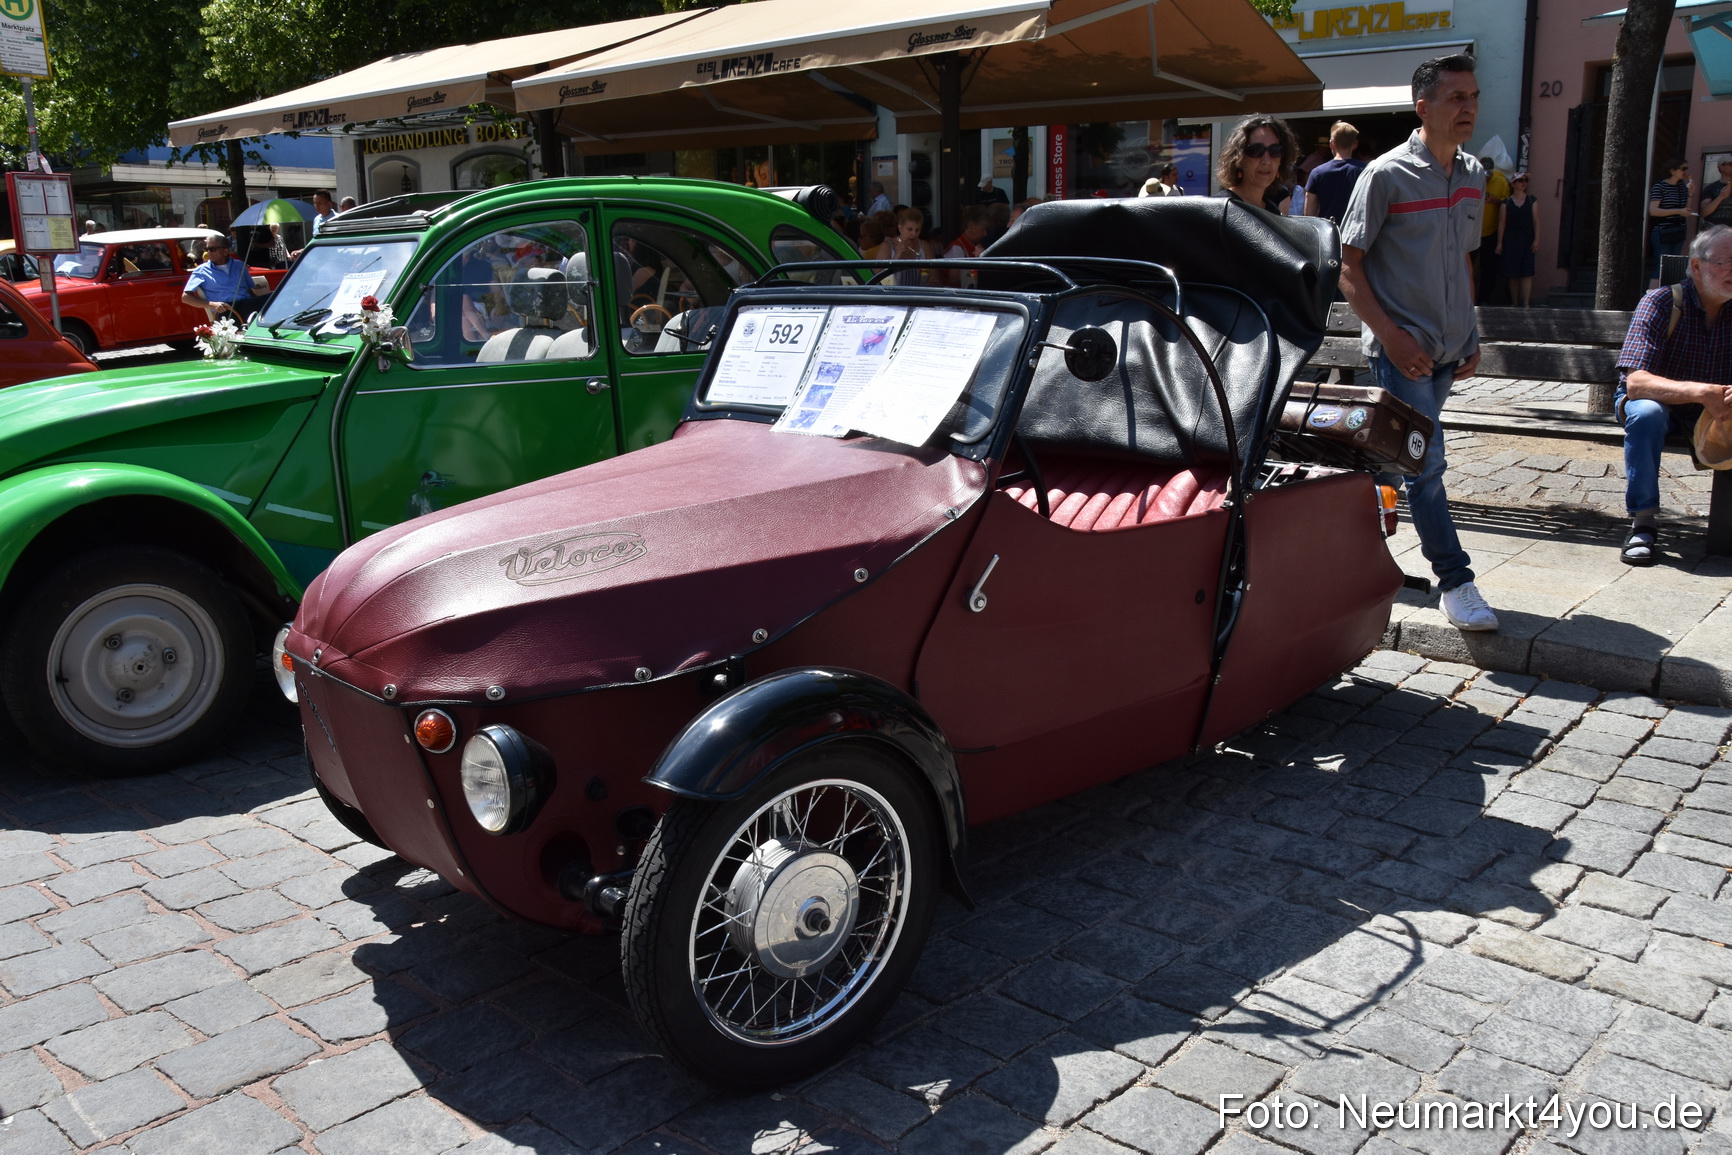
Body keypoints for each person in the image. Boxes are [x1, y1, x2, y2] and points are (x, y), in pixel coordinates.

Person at [1339, 52, 1497, 632]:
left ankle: (1343, 555)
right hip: (1402, 353)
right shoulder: (1383, 175)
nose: (1469, 108)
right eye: (1457, 98)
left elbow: (1462, 261)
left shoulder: (1476, 174)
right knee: (1426, 464)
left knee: (1389, 468)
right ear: (1422, 106)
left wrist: (1471, 331)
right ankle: (1455, 582)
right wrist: (1393, 338)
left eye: (1474, 97)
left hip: (1447, 354)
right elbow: (1348, 269)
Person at [1613, 224, 1732, 565]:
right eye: (1729, 262)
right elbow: (1636, 384)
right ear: (1696, 266)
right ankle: (1643, 524)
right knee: (1647, 412)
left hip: (1713, 410)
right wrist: (1698, 391)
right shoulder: (1663, 302)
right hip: (1658, 402)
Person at [1216, 114, 1300, 214]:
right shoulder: (1220, 208)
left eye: (1275, 150)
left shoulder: (1272, 211)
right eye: (1256, 150)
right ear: (1239, 158)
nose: (1266, 161)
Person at [181, 235, 260, 322]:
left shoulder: (239, 265)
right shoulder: (201, 271)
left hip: (247, 305)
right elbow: (185, 297)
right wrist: (213, 305)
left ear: (225, 251)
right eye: (207, 249)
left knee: (273, 298)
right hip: (226, 311)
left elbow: (250, 292)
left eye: (212, 249)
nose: (208, 253)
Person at [1303, 121, 1366, 225]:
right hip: (1356, 234)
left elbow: (1309, 212)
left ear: (1331, 144)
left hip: (1328, 234)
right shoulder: (1365, 171)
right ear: (1355, 144)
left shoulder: (1317, 173)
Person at [1496, 172, 1540, 308]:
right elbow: (1502, 223)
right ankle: (1514, 302)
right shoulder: (1506, 203)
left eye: (1525, 180)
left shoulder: (1532, 200)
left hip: (1527, 237)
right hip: (1511, 238)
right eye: (1520, 180)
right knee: (1512, 272)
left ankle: (1526, 302)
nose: (1523, 183)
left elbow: (1536, 221)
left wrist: (1537, 240)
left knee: (1526, 271)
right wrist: (1500, 242)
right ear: (1513, 184)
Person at [1649, 161, 1692, 284]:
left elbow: (1686, 210)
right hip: (1663, 231)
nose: (1685, 172)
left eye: (1686, 169)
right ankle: (1652, 297)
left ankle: (1670, 297)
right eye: (1683, 168)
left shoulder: (1682, 187)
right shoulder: (1660, 187)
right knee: (1661, 266)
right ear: (1672, 171)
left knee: (1674, 267)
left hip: (1678, 230)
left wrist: (1690, 195)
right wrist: (1678, 211)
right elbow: (1653, 211)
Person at [1475, 158, 1509, 303]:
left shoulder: (1500, 182)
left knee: (1488, 270)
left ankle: (1484, 299)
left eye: (1488, 174)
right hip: (1471, 231)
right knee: (1466, 269)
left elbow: (1507, 205)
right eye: (1483, 174)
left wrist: (1495, 201)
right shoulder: (1472, 178)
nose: (1486, 177)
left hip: (1491, 232)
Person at [877, 206, 934, 285]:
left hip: (919, 295)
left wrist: (931, 279)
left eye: (917, 230)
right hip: (894, 295)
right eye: (910, 229)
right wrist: (896, 258)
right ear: (900, 228)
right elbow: (877, 277)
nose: (913, 234)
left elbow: (934, 276)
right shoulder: (888, 246)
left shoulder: (924, 246)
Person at [1701, 160, 1732, 230]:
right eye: (1731, 164)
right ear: (1721, 167)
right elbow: (1704, 212)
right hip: (1714, 231)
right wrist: (1721, 197)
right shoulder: (1710, 188)